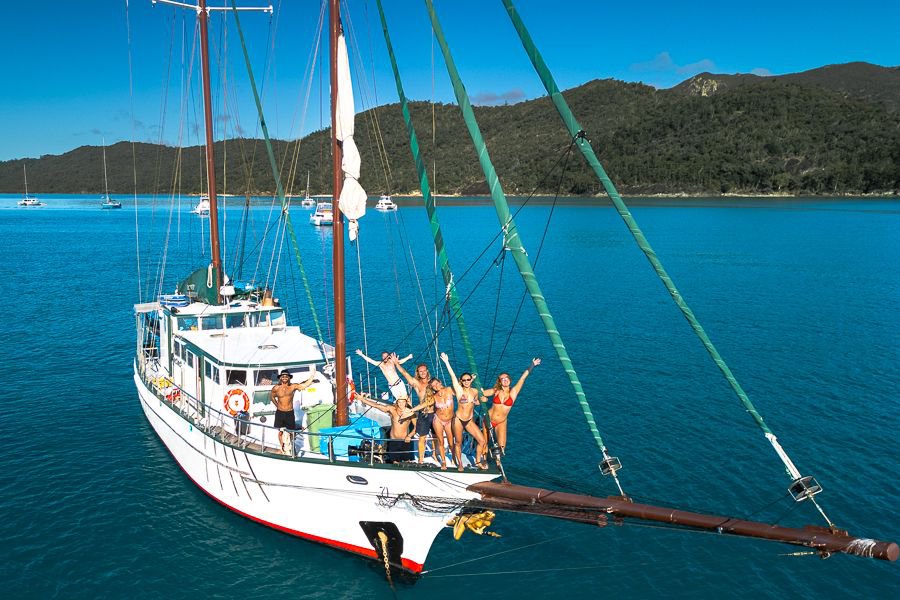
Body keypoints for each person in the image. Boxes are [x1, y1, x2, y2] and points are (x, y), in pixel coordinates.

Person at [440, 352, 488, 470]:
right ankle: (460, 463)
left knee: (482, 441)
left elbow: (477, 401)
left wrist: (482, 400)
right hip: (458, 420)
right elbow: (452, 376)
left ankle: (478, 462)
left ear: (471, 380)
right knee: (458, 442)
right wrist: (446, 362)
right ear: (461, 381)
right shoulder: (459, 390)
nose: (466, 381)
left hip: (469, 420)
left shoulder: (475, 391)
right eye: (464, 380)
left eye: (468, 379)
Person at [482, 358, 540, 453]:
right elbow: (482, 393)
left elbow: (522, 378)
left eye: (507, 378)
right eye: (502, 379)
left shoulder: (513, 392)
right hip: (488, 419)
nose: (505, 380)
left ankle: (497, 461)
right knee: (484, 443)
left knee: (501, 448)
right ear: (499, 382)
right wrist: (481, 398)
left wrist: (532, 365)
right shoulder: (496, 391)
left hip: (501, 422)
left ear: (510, 380)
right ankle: (483, 460)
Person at [402, 377, 456, 469]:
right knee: (441, 441)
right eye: (433, 386)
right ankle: (443, 462)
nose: (436, 386)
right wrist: (412, 410)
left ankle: (454, 459)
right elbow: (424, 404)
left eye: (437, 383)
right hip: (439, 420)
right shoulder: (434, 397)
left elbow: (459, 389)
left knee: (451, 442)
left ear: (440, 382)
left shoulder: (449, 390)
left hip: (449, 420)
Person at [394, 358, 434, 464]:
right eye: (420, 371)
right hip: (424, 413)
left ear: (427, 371)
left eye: (424, 370)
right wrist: (396, 364)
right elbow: (404, 373)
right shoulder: (417, 383)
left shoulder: (433, 382)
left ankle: (435, 455)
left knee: (436, 436)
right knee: (422, 437)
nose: (423, 373)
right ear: (418, 373)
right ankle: (421, 460)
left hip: (435, 412)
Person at [356, 394, 414, 462]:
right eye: (399, 402)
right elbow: (377, 405)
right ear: (397, 402)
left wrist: (409, 436)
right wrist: (363, 400)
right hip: (394, 441)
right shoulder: (392, 410)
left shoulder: (410, 413)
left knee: (407, 461)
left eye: (403, 402)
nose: (401, 404)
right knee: (394, 462)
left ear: (406, 402)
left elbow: (416, 427)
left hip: (405, 441)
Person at [270, 369, 316, 453]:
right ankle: (282, 448)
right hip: (280, 413)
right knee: (280, 432)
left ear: (289, 378)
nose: (284, 378)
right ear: (280, 378)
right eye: (283, 376)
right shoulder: (276, 388)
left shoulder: (293, 387)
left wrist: (312, 377)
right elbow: (272, 397)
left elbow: (304, 386)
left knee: (291, 432)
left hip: (289, 413)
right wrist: (277, 405)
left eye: (286, 376)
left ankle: (290, 446)